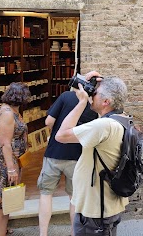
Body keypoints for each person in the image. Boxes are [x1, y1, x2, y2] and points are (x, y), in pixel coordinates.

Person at [55, 71, 129, 236]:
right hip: (105, 205)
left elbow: (61, 135)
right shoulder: (120, 119)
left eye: (95, 93)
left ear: (106, 101)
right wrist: (93, 84)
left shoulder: (103, 126)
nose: (91, 95)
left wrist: (81, 102)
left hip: (96, 210)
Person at [38, 90, 98, 236]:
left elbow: (48, 121)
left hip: (55, 152)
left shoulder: (66, 96)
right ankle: (73, 232)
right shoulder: (96, 103)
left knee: (46, 193)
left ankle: (43, 234)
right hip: (78, 156)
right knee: (74, 197)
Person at [0, 82, 30, 236]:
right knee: (4, 200)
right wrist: (11, 168)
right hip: (6, 161)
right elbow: (5, 144)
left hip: (11, 159)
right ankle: (0, 233)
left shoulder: (10, 110)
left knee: (1, 194)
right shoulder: (7, 114)